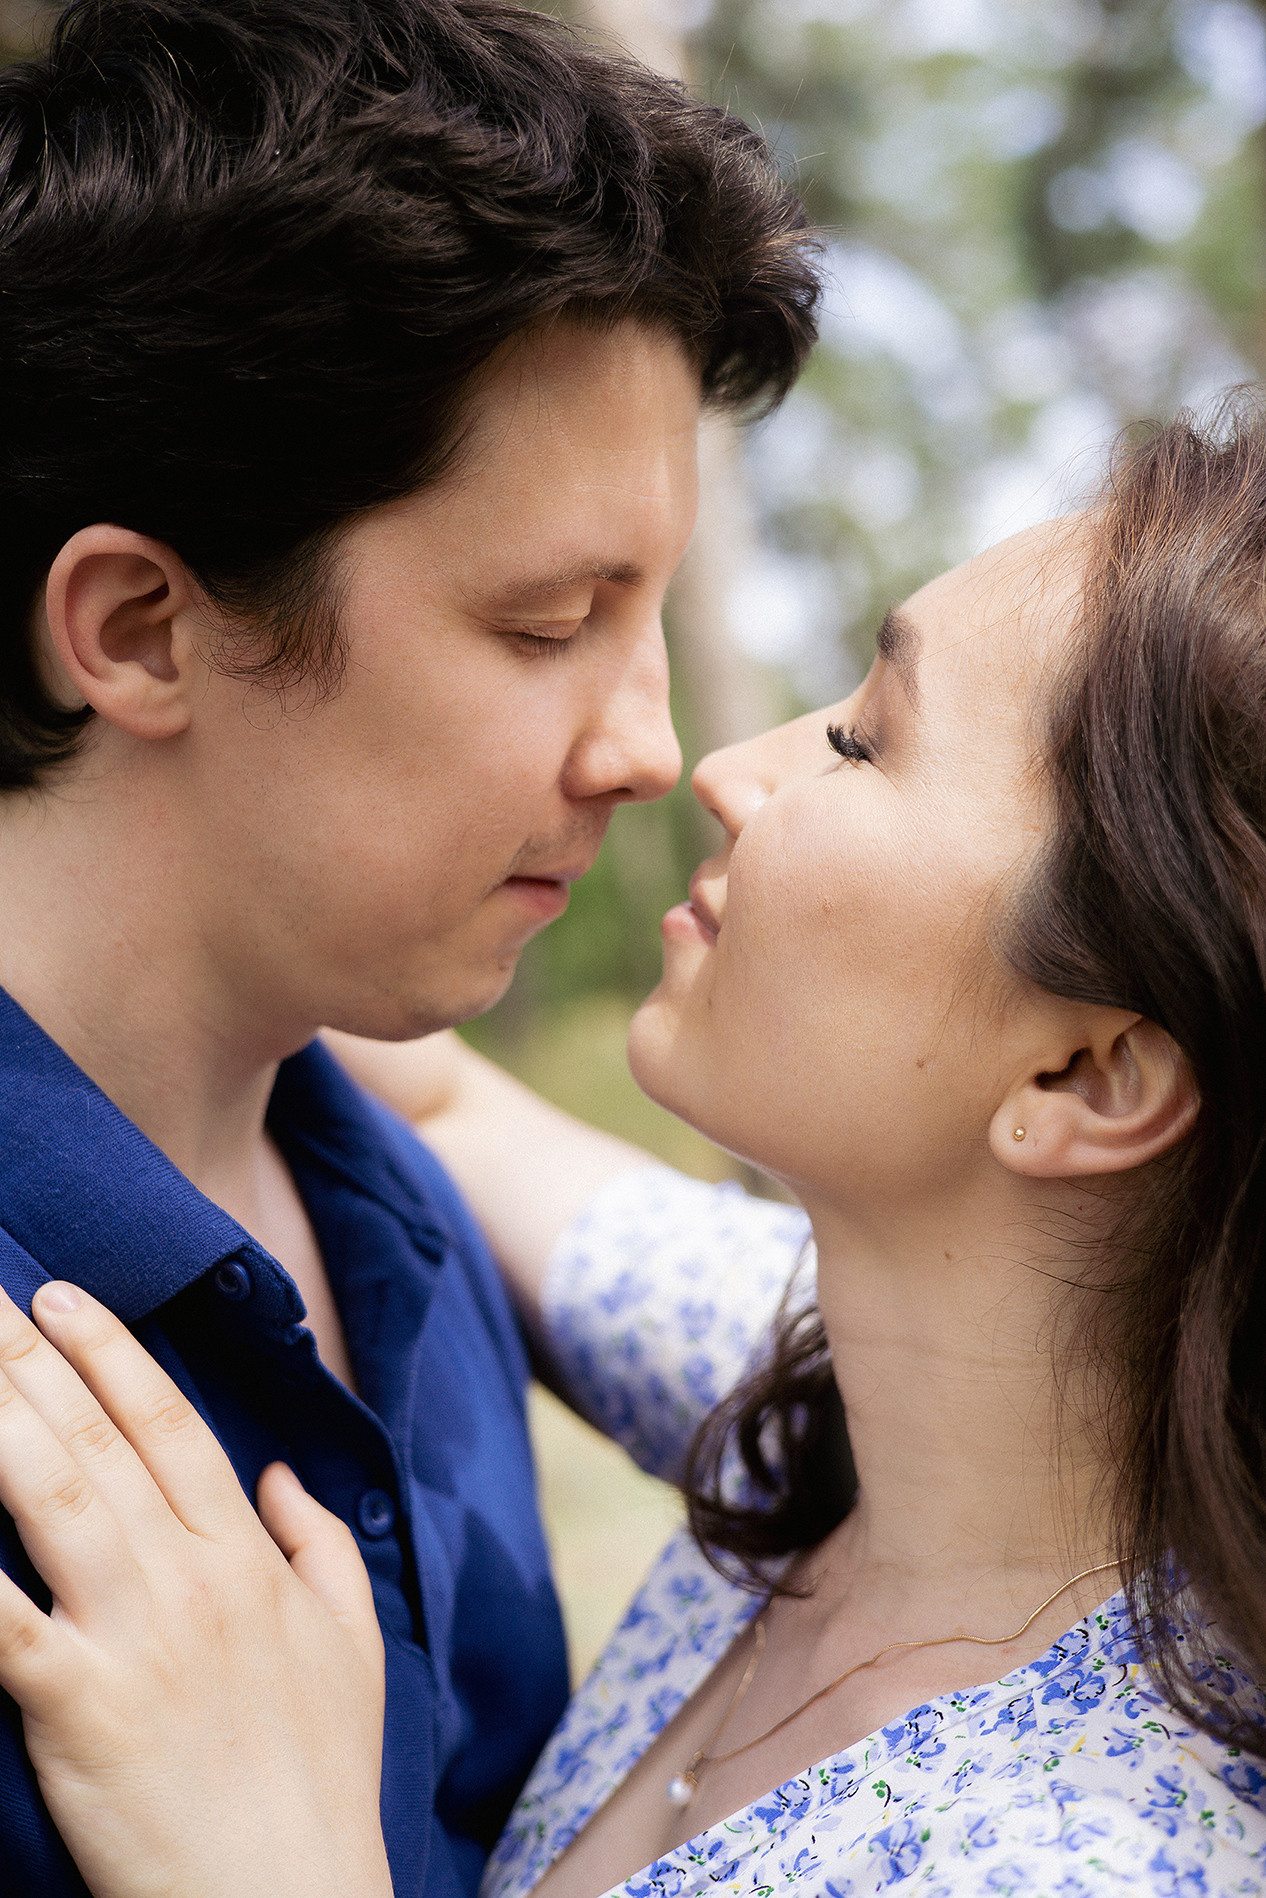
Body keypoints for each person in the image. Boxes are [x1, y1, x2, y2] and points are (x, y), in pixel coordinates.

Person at [3, 407, 1266, 1897]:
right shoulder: (836, 1400)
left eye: (864, 741)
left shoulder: (1098, 1858)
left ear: (1084, 1070)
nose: (719, 765)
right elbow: (444, 1104)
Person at [0, 0, 820, 1890]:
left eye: (655, 612)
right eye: (547, 622)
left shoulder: (422, 1240)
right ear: (136, 627)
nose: (651, 747)